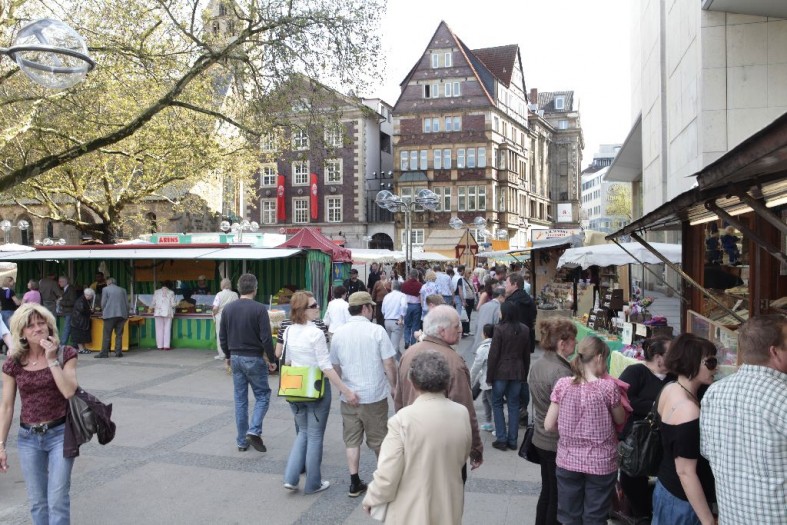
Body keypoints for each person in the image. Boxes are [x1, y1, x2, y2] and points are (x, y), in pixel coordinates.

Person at [362, 351, 472, 524]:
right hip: (449, 504)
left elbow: (388, 473)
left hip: (412, 510)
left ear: (412, 382)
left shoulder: (402, 420)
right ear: (447, 381)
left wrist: (373, 498)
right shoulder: (461, 413)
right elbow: (462, 455)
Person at [701, 315, 787, 524]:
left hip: (732, 516)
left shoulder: (714, 392)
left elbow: (707, 451)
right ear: (775, 352)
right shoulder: (783, 397)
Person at [0, 303, 79, 525]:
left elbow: (68, 391)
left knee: (57, 500)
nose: (37, 328)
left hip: (60, 435)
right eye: (31, 325)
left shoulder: (66, 354)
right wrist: (1, 445)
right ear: (21, 332)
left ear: (49, 325)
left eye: (41, 322)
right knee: (37, 502)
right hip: (28, 439)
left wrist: (52, 358)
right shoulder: (14, 362)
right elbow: (6, 406)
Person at [277, 291, 358, 494]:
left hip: (295, 388)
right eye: (313, 306)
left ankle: (291, 477)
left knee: (303, 433)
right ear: (303, 310)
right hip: (315, 388)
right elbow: (325, 367)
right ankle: (313, 483)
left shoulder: (288, 330)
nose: (318, 308)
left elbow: (287, 360)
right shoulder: (316, 333)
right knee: (314, 436)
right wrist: (346, 390)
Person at [545, 336, 626, 525]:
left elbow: (548, 425)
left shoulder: (563, 384)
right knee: (595, 517)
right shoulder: (608, 388)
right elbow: (620, 419)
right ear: (599, 357)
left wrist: (568, 430)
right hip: (601, 463)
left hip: (568, 461)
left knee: (569, 517)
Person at [395, 305, 483, 475]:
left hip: (413, 439)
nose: (461, 330)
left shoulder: (409, 353)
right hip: (443, 446)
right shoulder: (454, 362)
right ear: (442, 331)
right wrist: (475, 447)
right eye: (456, 326)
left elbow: (399, 397)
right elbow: (465, 408)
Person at [330, 292, 397, 498]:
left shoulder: (338, 333)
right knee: (379, 440)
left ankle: (354, 481)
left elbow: (334, 366)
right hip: (373, 395)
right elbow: (389, 363)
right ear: (366, 308)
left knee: (352, 440)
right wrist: (394, 386)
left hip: (349, 396)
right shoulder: (377, 331)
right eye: (371, 307)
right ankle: (385, 483)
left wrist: (344, 388)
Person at [652, 333, 717, 525]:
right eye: (711, 362)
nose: (716, 368)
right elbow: (686, 472)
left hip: (667, 488)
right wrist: (708, 520)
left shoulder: (670, 387)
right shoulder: (688, 409)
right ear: (692, 362)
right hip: (683, 500)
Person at [220, 273, 276, 453]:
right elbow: (266, 338)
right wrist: (272, 359)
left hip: (235, 357)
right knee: (263, 395)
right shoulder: (259, 309)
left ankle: (242, 441)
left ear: (238, 288)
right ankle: (253, 430)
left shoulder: (228, 309)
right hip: (254, 358)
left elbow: (222, 336)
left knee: (240, 400)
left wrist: (227, 355)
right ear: (255, 288)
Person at [617, 336, 672, 519]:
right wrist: (658, 406)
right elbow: (625, 400)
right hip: (638, 440)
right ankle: (640, 514)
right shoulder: (636, 372)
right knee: (633, 477)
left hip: (664, 438)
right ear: (658, 357)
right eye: (671, 353)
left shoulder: (674, 377)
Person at [529, 317, 576, 525]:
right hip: (554, 440)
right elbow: (566, 412)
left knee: (548, 491)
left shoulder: (541, 363)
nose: (576, 343)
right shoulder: (561, 372)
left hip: (541, 436)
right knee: (556, 496)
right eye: (573, 339)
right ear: (562, 343)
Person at [487, 302, 530, 451]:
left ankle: (501, 438)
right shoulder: (524, 329)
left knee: (497, 403)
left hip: (501, 371)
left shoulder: (499, 329)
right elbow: (526, 355)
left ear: (505, 312)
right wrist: (525, 374)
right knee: (513, 405)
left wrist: (489, 376)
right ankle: (513, 440)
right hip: (518, 371)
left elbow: (493, 355)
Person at [469, 323, 495, 432]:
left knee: (492, 403)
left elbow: (476, 367)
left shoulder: (483, 348)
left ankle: (498, 427)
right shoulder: (496, 344)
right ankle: (488, 422)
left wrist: (470, 381)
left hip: (488, 380)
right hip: (492, 379)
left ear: (484, 334)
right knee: (485, 399)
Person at [95, 277, 129, 359]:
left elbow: (103, 303)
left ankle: (104, 353)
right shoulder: (123, 290)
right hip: (121, 315)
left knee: (107, 335)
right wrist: (126, 314)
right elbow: (127, 304)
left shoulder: (105, 289)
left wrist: (104, 311)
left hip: (109, 315)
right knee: (119, 335)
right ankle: (118, 352)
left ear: (109, 282)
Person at [212, 278, 239, 359]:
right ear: (229, 285)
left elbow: (215, 308)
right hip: (232, 317)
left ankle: (222, 354)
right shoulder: (235, 294)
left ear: (222, 285)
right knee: (231, 335)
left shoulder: (219, 294)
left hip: (220, 317)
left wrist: (214, 314)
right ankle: (232, 353)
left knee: (220, 335)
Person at [381, 280, 407, 358]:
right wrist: (402, 316)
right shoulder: (402, 295)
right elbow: (404, 306)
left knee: (391, 346)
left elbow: (383, 310)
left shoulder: (387, 296)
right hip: (396, 321)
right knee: (394, 347)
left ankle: (401, 362)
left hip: (387, 321)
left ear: (392, 287)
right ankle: (392, 363)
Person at [473, 285, 504, 350]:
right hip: (489, 343)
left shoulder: (484, 306)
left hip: (479, 340)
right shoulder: (499, 307)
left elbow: (477, 323)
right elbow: (497, 325)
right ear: (500, 296)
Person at [150, 280, 176, 351]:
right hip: (167, 312)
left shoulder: (156, 292)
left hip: (158, 312)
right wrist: (177, 303)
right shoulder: (171, 292)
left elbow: (153, 303)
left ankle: (159, 346)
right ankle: (166, 346)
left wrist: (151, 308)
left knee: (159, 329)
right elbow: (173, 304)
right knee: (167, 329)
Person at [400, 269, 422, 350]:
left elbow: (402, 295)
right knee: (415, 325)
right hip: (417, 306)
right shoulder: (420, 285)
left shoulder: (405, 284)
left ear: (410, 275)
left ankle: (406, 340)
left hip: (407, 305)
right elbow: (421, 296)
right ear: (417, 276)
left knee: (407, 324)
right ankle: (413, 342)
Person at [71, 288, 95, 354]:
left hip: (80, 321)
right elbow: (82, 310)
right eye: (91, 296)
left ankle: (83, 348)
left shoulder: (83, 300)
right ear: (87, 295)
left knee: (82, 336)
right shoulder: (81, 301)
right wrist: (90, 311)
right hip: (79, 321)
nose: (91, 297)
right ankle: (81, 349)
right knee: (80, 336)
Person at [57, 276, 78, 347]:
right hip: (68, 311)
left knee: (67, 328)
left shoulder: (71, 289)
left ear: (65, 282)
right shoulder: (66, 289)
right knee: (71, 328)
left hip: (70, 312)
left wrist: (61, 302)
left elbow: (72, 302)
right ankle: (75, 344)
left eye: (60, 281)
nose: (59, 283)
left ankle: (62, 344)